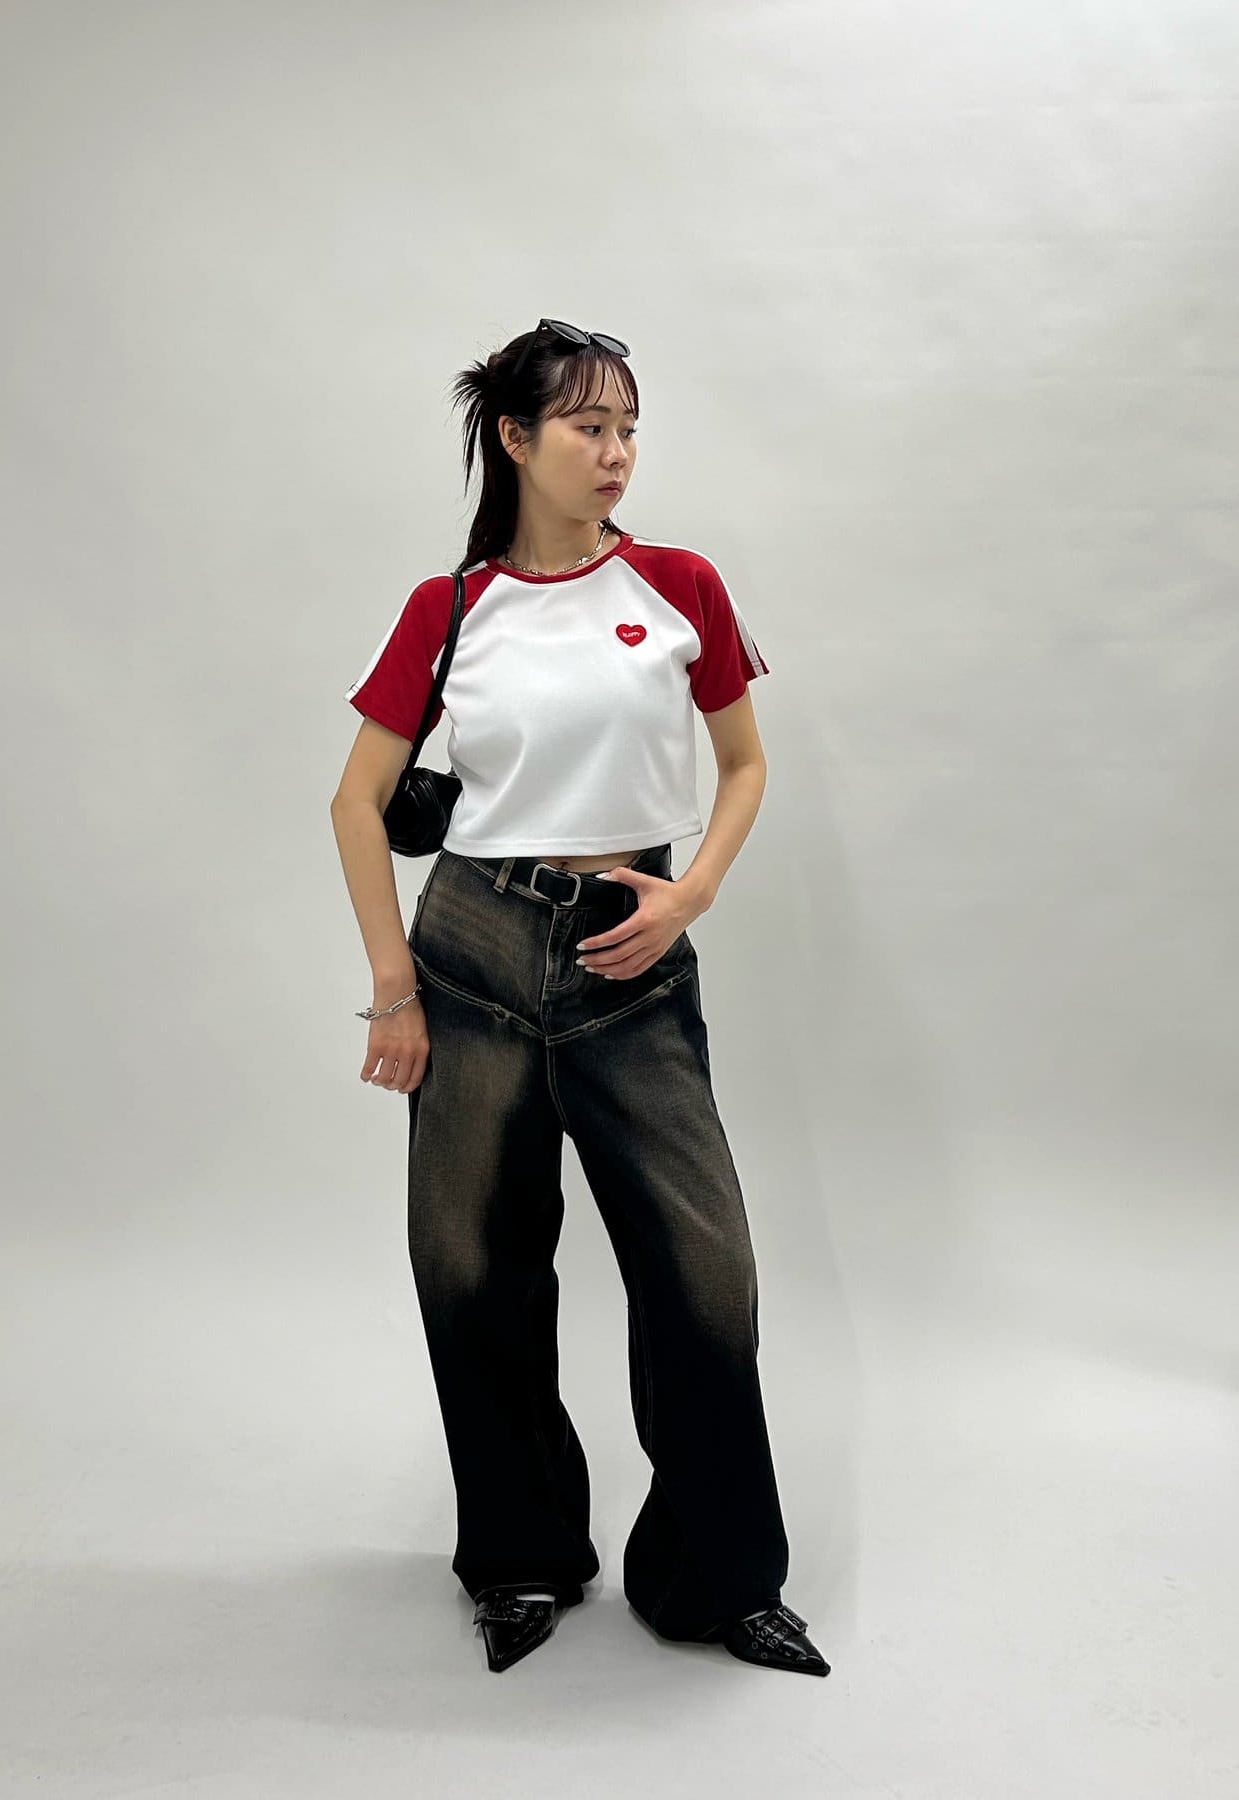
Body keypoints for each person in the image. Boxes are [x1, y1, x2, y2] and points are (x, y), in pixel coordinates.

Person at [329, 319, 829, 1678]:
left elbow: (742, 766)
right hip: (472, 956)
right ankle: (520, 1561)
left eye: (627, 429)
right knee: (475, 1269)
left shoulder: (676, 585)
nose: (615, 453)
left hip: (631, 953)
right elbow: (358, 802)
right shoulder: (450, 609)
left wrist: (689, 895)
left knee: (704, 1273)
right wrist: (394, 993)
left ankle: (716, 1580)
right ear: (515, 438)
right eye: (587, 427)